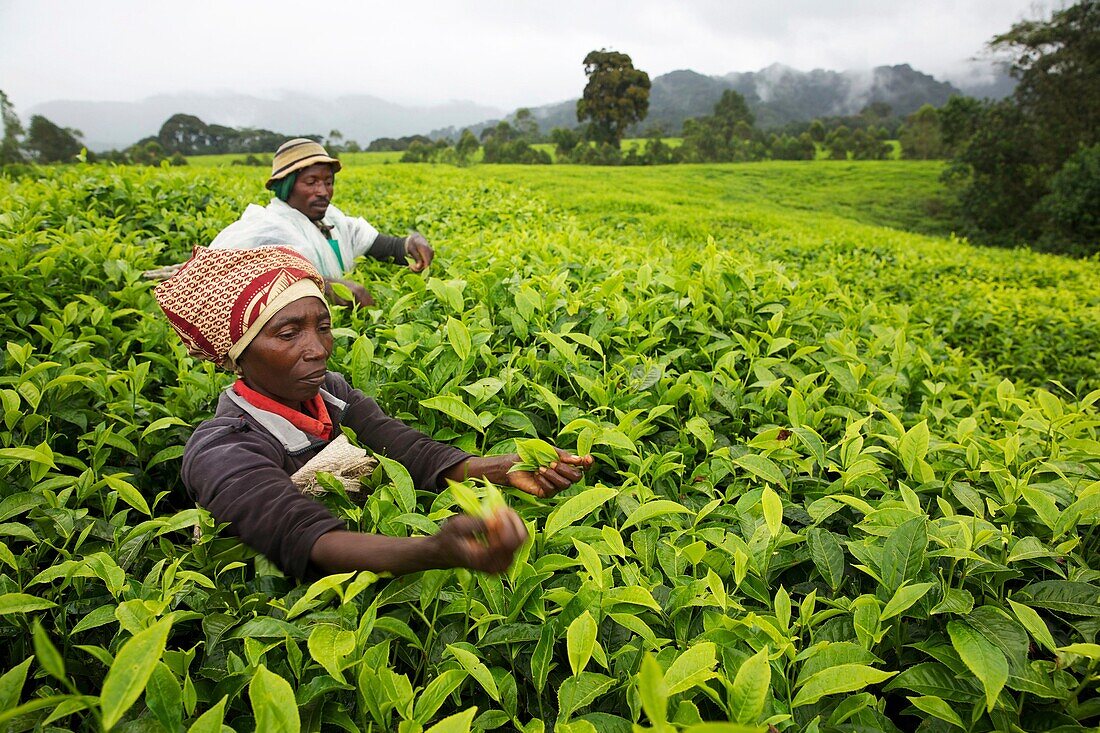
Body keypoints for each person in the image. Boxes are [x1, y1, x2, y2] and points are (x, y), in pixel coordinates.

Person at [154, 245, 593, 580]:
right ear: (239, 355)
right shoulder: (222, 447)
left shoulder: (331, 394)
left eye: (322, 327)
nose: (317, 350)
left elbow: (408, 451)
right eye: (288, 334)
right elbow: (306, 539)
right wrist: (434, 551)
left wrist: (505, 468)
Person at [209, 138, 434, 307]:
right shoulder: (268, 228)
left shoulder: (331, 221)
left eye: (328, 182)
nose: (323, 191)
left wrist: (410, 244)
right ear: (287, 186)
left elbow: (384, 246)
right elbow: (247, 281)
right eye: (311, 182)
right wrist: (327, 287)